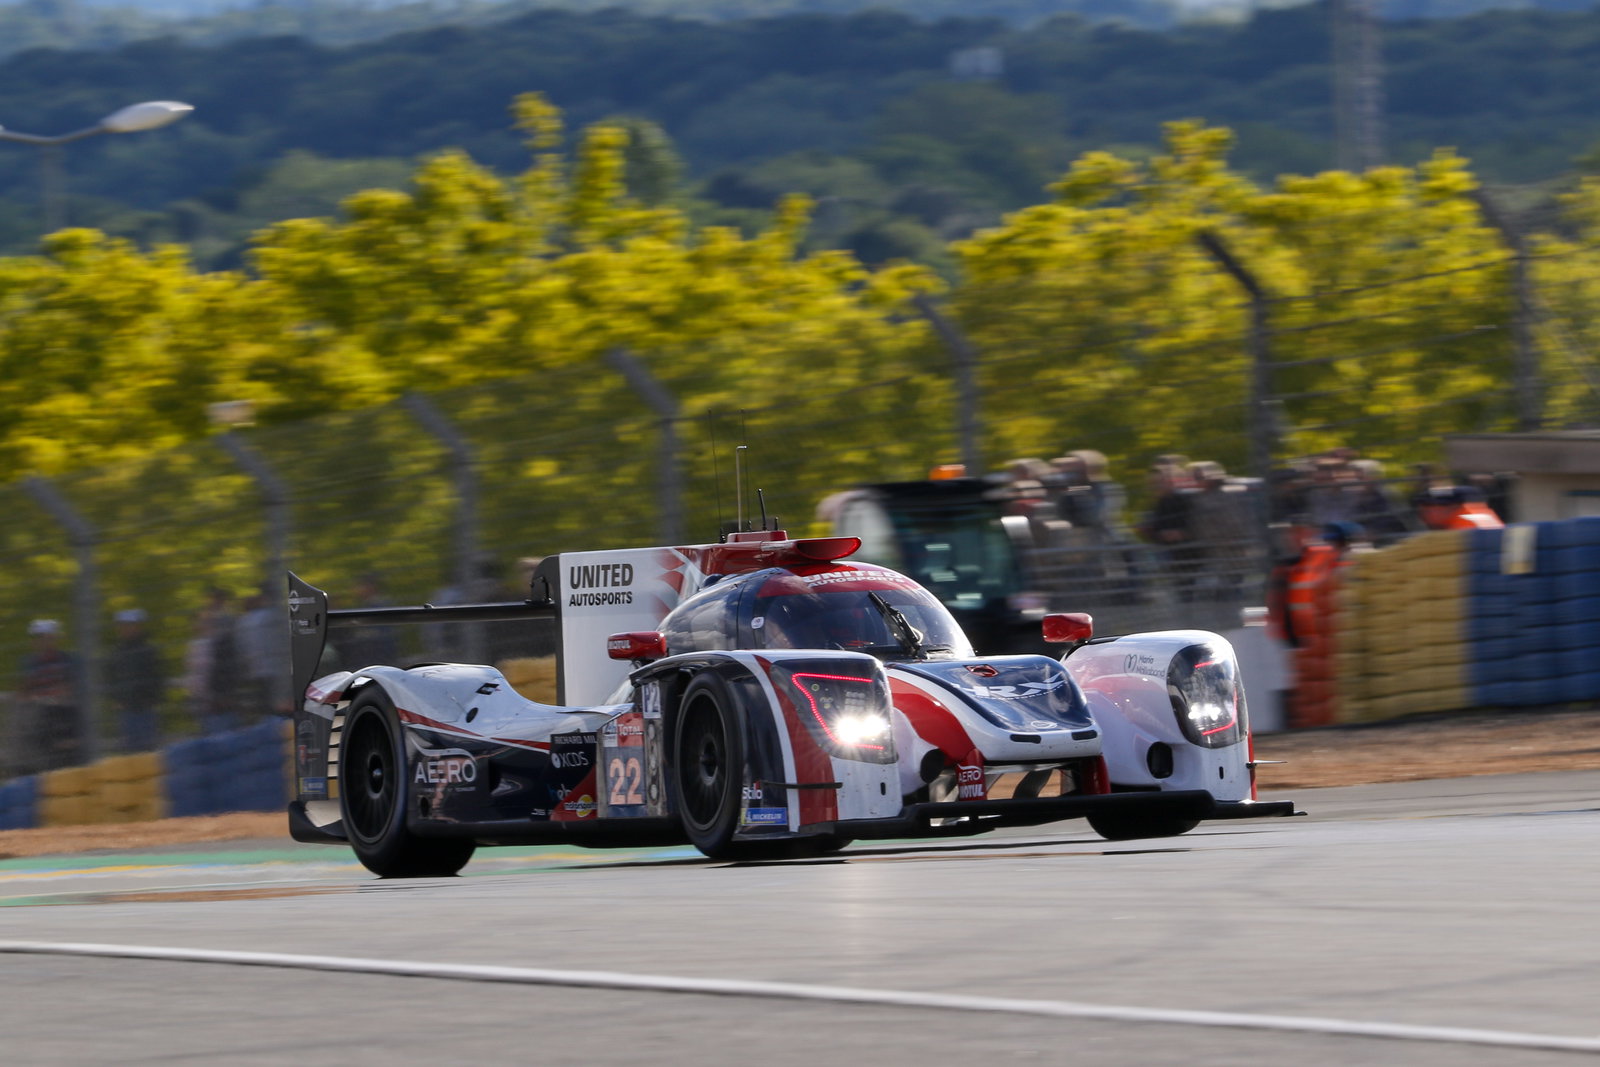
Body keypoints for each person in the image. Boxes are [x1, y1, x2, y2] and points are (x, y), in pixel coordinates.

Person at [18, 619, 83, 772]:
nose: (41, 642)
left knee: (65, 758)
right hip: (40, 718)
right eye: (37, 638)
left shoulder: (67, 660)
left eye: (46, 637)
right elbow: (25, 692)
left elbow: (70, 690)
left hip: (62, 716)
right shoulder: (31, 663)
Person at [106, 608, 165, 752]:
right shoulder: (117, 651)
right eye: (121, 626)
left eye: (127, 625)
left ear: (138, 626)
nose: (123, 629)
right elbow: (110, 676)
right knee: (129, 753)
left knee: (147, 751)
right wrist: (116, 699)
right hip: (126, 709)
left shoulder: (149, 650)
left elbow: (157, 677)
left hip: (145, 709)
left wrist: (153, 699)